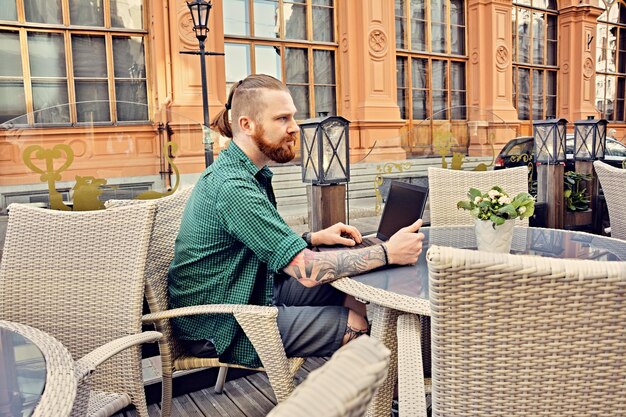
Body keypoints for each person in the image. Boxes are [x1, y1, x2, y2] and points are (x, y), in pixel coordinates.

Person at [168, 74, 425, 368]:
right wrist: (389, 252)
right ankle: (364, 405)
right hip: (221, 323)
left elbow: (259, 242)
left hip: (250, 287)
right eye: (282, 118)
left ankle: (373, 395)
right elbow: (308, 271)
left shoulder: (248, 173)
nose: (294, 128)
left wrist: (313, 238)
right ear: (246, 125)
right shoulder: (233, 186)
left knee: (346, 282)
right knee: (356, 323)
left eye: (293, 117)